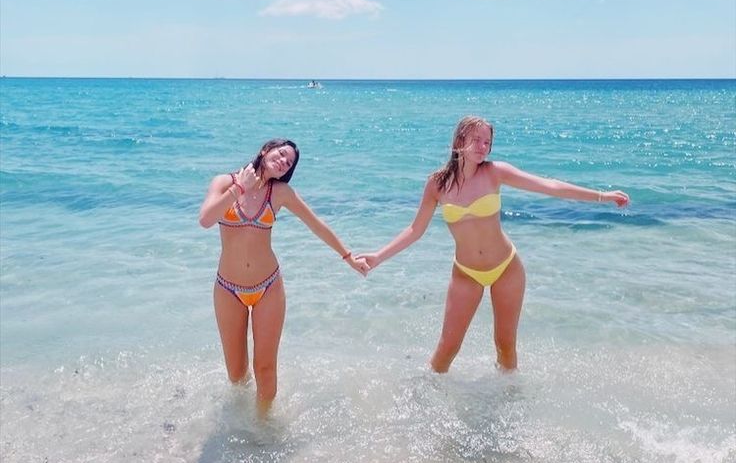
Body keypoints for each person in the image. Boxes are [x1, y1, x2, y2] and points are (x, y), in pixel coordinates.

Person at [355, 116, 629, 372]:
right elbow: (415, 229)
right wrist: (378, 257)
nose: (483, 147)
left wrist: (602, 196)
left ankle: (508, 401)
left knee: (505, 346)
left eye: (487, 142)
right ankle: (425, 403)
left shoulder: (495, 173)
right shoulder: (437, 184)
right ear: (459, 141)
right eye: (477, 140)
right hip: (466, 273)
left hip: (506, 268)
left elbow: (550, 186)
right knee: (447, 349)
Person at [199, 138, 367, 412]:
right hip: (228, 289)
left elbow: (316, 224)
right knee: (237, 374)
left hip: (268, 288)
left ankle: (264, 429)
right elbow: (205, 219)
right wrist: (239, 188)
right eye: (281, 154)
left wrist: (348, 257)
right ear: (266, 150)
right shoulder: (224, 182)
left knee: (265, 368)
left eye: (289, 162)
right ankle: (241, 422)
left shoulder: (281, 193)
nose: (283, 161)